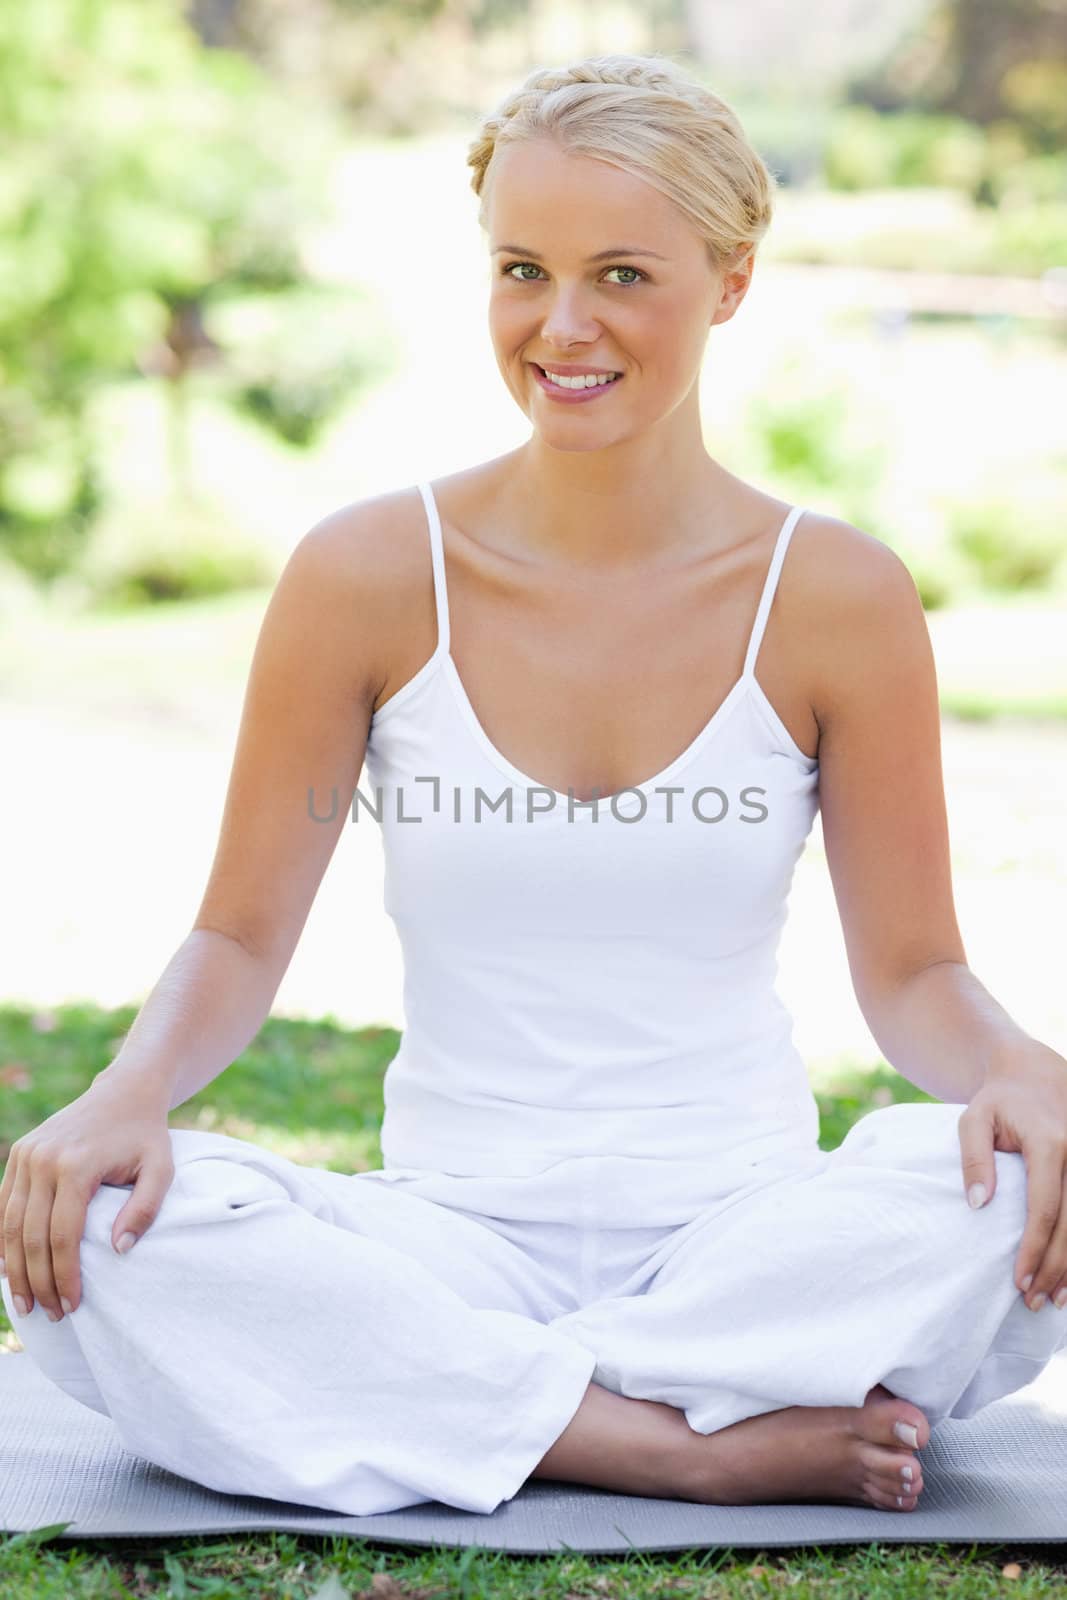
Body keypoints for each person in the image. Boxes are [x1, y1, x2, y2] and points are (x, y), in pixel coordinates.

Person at [3, 51, 1067, 1521]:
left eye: (624, 273)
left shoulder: (836, 597)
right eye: (523, 269)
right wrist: (120, 1098)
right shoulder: (366, 577)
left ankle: (458, 1393)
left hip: (745, 1230)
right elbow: (243, 938)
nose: (563, 327)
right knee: (106, 1237)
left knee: (1021, 1187)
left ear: (733, 280)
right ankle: (673, 1439)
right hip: (446, 1235)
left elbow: (914, 971)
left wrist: (1021, 1067)